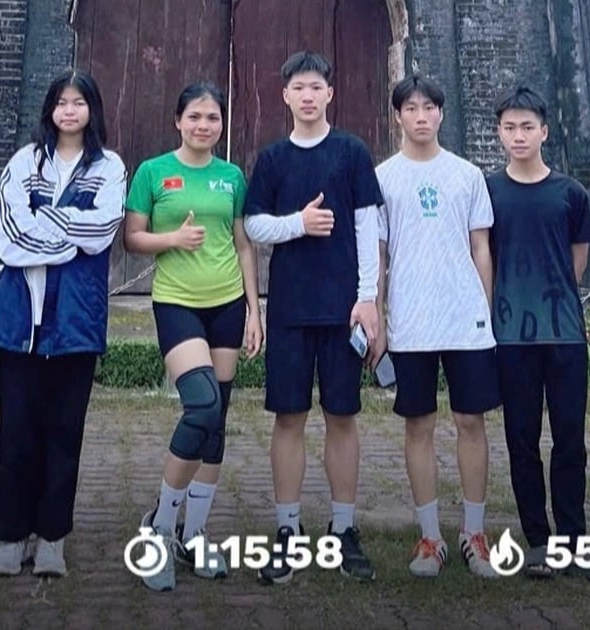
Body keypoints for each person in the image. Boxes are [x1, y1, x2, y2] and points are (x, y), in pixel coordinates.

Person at [0, 70, 125, 578]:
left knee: (66, 429)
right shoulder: (26, 160)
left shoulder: (109, 167)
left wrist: (46, 219)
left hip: (75, 319)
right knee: (17, 429)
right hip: (22, 317)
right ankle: (10, 535)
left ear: (92, 110)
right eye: (61, 102)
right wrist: (66, 235)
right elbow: (9, 231)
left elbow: (104, 227)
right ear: (50, 109)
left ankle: (53, 537)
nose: (69, 111)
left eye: (78, 102)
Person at [244, 51, 382, 584]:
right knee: (289, 417)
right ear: (285, 96)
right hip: (292, 308)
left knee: (343, 416)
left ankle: (343, 527)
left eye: (315, 87)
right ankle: (287, 528)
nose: (307, 95)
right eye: (297, 87)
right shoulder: (274, 159)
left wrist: (368, 297)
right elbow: (254, 226)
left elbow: (368, 226)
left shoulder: (351, 152)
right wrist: (298, 224)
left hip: (343, 306)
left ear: (330, 93)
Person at [124, 82, 262, 591]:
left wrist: (254, 309)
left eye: (213, 118)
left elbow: (244, 244)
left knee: (218, 420)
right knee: (200, 407)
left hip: (227, 303)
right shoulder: (154, 172)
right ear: (178, 121)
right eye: (195, 117)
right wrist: (174, 239)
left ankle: (196, 532)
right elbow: (132, 238)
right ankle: (160, 527)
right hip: (178, 301)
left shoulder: (231, 177)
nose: (204, 126)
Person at [486, 86, 590, 585]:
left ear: (544, 131)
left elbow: (577, 260)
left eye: (527, 127)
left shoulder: (570, 193)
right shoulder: (489, 191)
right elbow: (485, 256)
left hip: (564, 332)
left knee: (569, 439)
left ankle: (573, 539)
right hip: (510, 335)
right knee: (521, 439)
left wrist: (554, 298)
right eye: (509, 127)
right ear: (499, 133)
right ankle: (538, 541)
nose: (519, 136)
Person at [369, 75, 500, 579]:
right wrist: (377, 315)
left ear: (441, 115)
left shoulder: (467, 175)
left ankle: (474, 532)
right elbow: (378, 255)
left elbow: (480, 248)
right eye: (411, 108)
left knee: (471, 422)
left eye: (430, 108)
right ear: (398, 116)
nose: (421, 116)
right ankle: (430, 537)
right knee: (418, 425)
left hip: (464, 320)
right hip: (411, 321)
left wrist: (482, 311)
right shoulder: (384, 178)